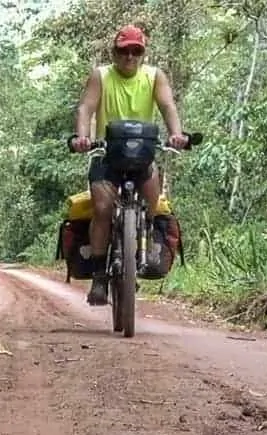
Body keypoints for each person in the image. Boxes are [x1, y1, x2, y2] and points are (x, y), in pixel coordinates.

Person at [71, 24, 187, 306]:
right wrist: (82, 137)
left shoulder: (154, 76)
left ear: (143, 54)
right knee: (101, 208)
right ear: (115, 52)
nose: (130, 57)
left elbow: (168, 106)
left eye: (136, 51)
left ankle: (139, 250)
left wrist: (177, 134)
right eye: (124, 51)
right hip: (106, 154)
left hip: (142, 155)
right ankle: (99, 275)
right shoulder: (101, 76)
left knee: (153, 204)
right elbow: (86, 107)